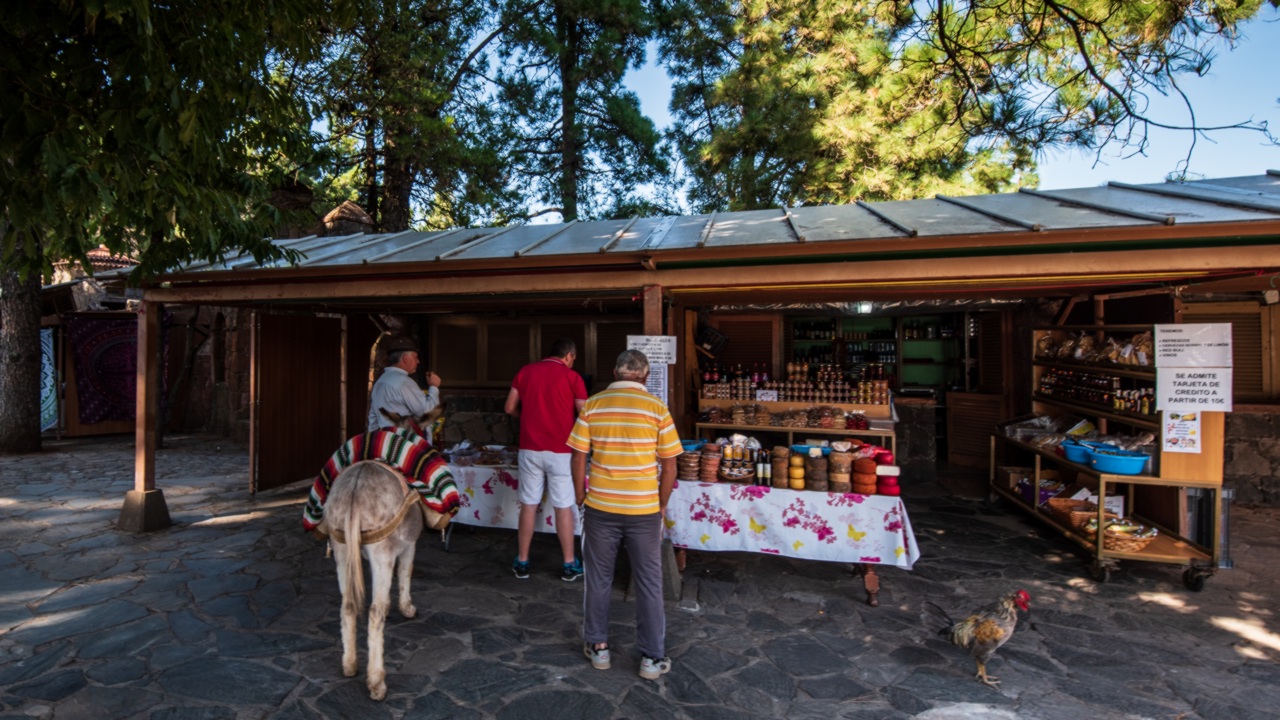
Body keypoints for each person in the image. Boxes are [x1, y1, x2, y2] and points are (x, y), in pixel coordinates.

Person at [568, 349, 682, 681]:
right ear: (645, 377)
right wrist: (660, 504)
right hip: (644, 510)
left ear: (616, 373)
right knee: (649, 582)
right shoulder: (657, 409)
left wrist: (580, 496)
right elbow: (671, 464)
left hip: (600, 507)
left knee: (598, 579)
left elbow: (577, 458)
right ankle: (651, 658)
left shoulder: (594, 405)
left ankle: (599, 648)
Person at [505, 338, 589, 581]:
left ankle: (522, 561)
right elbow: (584, 414)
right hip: (562, 452)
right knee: (564, 506)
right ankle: (569, 564)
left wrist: (529, 416)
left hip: (529, 449)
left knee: (528, 504)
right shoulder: (573, 378)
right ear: (570, 356)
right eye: (574, 358)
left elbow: (510, 408)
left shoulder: (525, 371)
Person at [367, 336, 442, 443]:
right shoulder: (403, 382)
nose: (418, 362)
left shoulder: (380, 382)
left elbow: (373, 418)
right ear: (405, 358)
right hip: (405, 445)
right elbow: (428, 413)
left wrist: (374, 442)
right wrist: (434, 387)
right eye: (415, 357)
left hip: (386, 442)